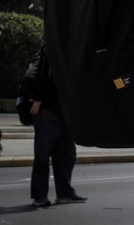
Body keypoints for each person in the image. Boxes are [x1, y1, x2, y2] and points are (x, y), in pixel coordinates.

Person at [21, 47, 87, 207]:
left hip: (63, 113)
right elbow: (30, 76)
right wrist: (37, 97)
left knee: (66, 154)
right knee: (43, 155)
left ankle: (64, 193)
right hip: (48, 113)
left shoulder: (65, 51)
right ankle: (40, 196)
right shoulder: (50, 49)